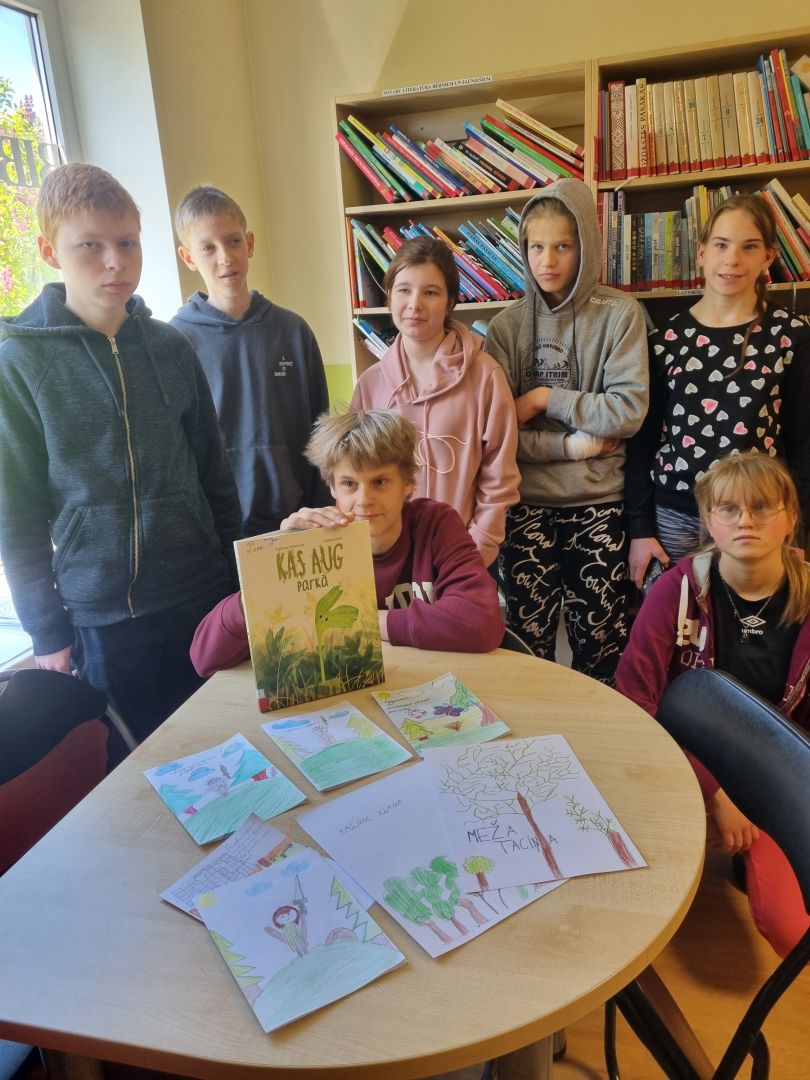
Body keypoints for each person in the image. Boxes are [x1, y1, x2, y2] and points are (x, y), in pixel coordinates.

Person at [0, 163, 242, 744]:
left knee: (226, 750)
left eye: (127, 242)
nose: (116, 261)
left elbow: (215, 475)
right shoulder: (20, 364)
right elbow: (17, 514)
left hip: (201, 596)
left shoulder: (171, 347)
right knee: (138, 768)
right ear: (49, 251)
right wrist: (46, 631)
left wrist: (239, 581)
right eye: (91, 245)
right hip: (103, 618)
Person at [616, 452, 810, 958]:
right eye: (728, 509)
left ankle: (751, 852)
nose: (745, 521)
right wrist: (715, 796)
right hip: (683, 765)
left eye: (762, 507)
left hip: (775, 774)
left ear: (791, 518)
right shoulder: (675, 590)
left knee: (794, 932)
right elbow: (634, 702)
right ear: (708, 520)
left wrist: (775, 803)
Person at [191, 409, 503, 675]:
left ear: (408, 482)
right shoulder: (313, 542)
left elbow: (482, 621)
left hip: (422, 684)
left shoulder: (435, 524)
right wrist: (274, 570)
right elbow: (205, 657)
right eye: (350, 484)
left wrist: (357, 623)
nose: (364, 500)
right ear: (333, 488)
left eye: (380, 481)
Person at [485, 177, 648, 682]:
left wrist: (542, 399)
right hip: (525, 507)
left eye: (562, 246)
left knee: (601, 647)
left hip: (599, 506)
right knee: (525, 646)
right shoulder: (505, 328)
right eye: (536, 247)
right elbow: (498, 435)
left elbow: (627, 412)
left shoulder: (620, 315)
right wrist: (574, 445)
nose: (548, 261)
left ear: (586, 246)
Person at [626, 193, 810, 591]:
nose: (733, 260)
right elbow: (641, 443)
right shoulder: (665, 341)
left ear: (768, 256)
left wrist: (798, 533)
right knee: (679, 624)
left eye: (749, 247)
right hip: (676, 517)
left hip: (758, 519)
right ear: (702, 253)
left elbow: (804, 443)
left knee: (754, 624)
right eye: (722, 245)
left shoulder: (791, 336)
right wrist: (640, 529)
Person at [350, 236, 519, 569]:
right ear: (389, 296)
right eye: (404, 290)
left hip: (462, 558)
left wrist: (474, 551)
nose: (415, 304)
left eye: (431, 292)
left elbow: (500, 478)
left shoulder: (486, 376)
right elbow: (355, 477)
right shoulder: (369, 385)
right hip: (388, 562)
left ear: (450, 302)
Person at [171, 185, 329, 537]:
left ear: (250, 243)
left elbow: (322, 432)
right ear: (188, 257)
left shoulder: (293, 331)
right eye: (208, 248)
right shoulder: (176, 341)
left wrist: (322, 510)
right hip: (218, 529)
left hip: (299, 522)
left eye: (233, 241)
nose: (225, 258)